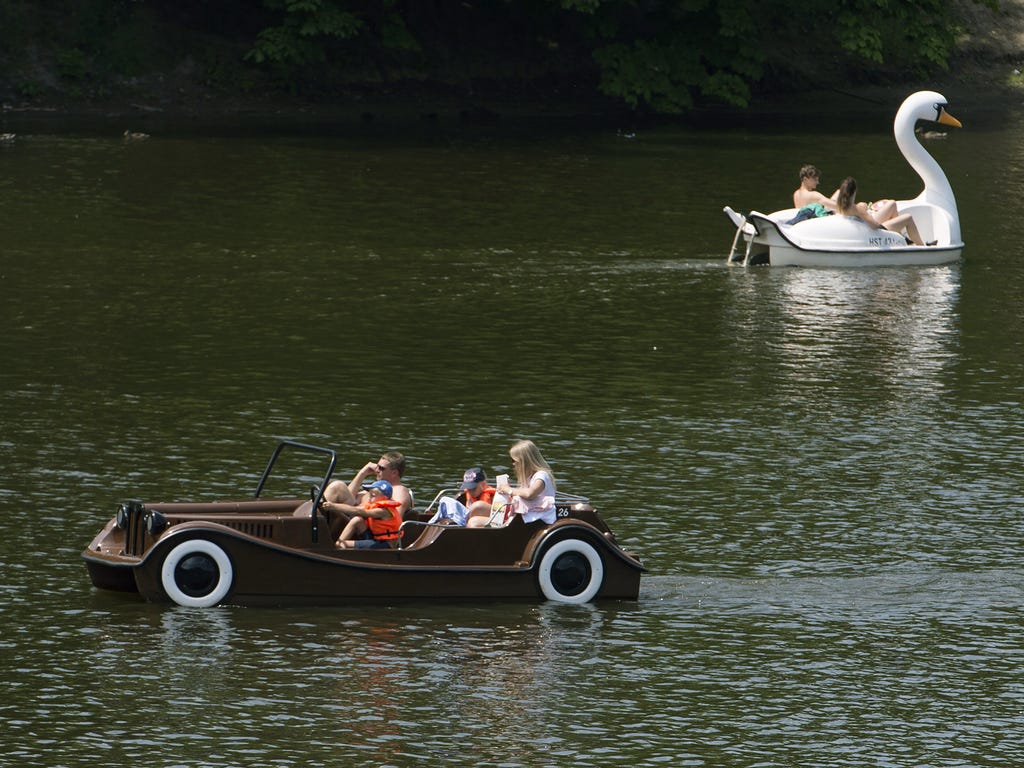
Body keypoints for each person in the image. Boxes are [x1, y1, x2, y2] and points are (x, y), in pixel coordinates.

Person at [321, 451, 414, 539]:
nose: (377, 470)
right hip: (354, 517)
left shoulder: (399, 490)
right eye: (377, 467)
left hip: (366, 527)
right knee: (338, 488)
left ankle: (313, 525)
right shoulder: (375, 489)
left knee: (338, 486)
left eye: (381, 468)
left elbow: (394, 519)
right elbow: (344, 496)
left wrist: (364, 512)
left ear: (394, 473)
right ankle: (312, 519)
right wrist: (362, 473)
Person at [468, 439, 556, 527]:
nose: (513, 464)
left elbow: (530, 494)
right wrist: (506, 492)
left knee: (474, 522)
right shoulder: (528, 477)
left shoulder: (541, 475)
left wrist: (509, 489)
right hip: (521, 516)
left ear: (524, 461)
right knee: (477, 507)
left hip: (534, 519)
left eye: (514, 460)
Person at [836, 176, 931, 246]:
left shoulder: (840, 205)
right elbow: (874, 225)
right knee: (908, 218)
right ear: (854, 192)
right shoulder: (858, 208)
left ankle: (901, 237)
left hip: (863, 227)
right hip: (872, 231)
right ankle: (921, 246)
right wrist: (868, 213)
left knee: (892, 204)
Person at [335, 479, 404, 549]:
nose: (369, 498)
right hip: (376, 538)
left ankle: (341, 550)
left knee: (345, 543)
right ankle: (339, 543)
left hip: (386, 544)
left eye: (372, 496)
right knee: (357, 520)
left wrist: (333, 506)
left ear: (384, 498)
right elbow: (354, 510)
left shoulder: (383, 511)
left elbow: (358, 511)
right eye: (369, 495)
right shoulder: (373, 506)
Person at [429, 467, 497, 526]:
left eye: (473, 488)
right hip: (469, 519)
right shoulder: (468, 495)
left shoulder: (493, 496)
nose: (470, 491)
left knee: (477, 506)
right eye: (468, 488)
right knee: (445, 501)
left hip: (488, 520)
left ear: (483, 484)